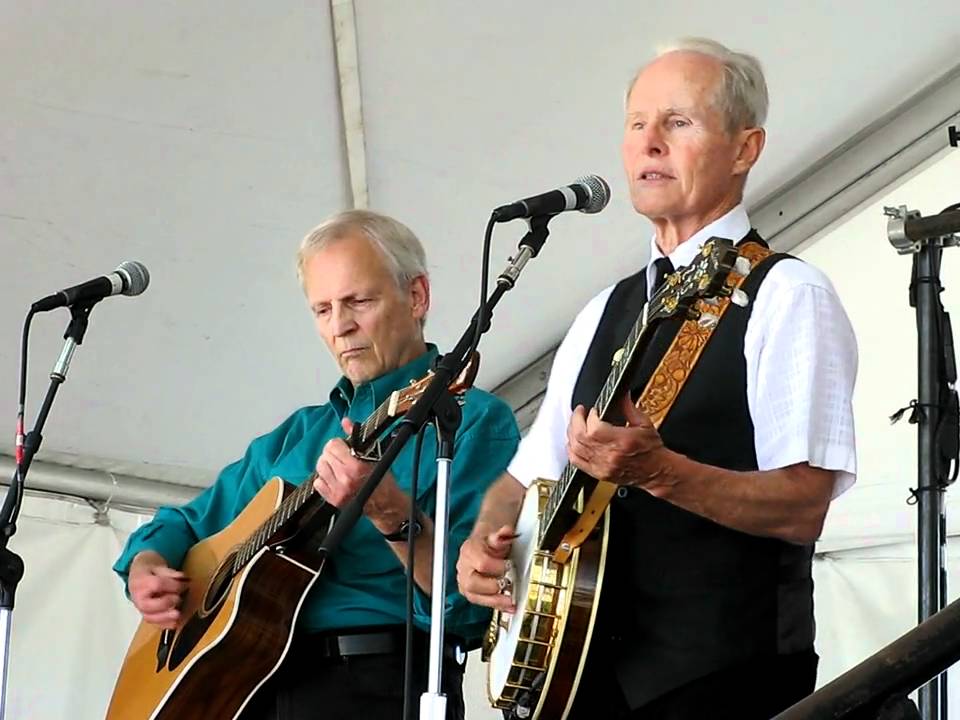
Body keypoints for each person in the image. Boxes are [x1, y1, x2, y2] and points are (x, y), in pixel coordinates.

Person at [457, 37, 858, 720]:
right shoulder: (601, 312)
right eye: (636, 124)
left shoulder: (788, 294)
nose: (649, 144)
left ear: (744, 148)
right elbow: (518, 483)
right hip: (582, 681)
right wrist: (481, 545)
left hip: (726, 678)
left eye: (678, 123)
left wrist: (662, 472)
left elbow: (803, 505)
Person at [113, 209, 520, 720]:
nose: (340, 326)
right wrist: (147, 564)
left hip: (377, 685)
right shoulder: (297, 435)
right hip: (247, 687)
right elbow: (188, 522)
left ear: (417, 296)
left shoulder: (473, 420)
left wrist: (391, 513)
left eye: (359, 302)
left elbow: (469, 609)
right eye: (322, 309)